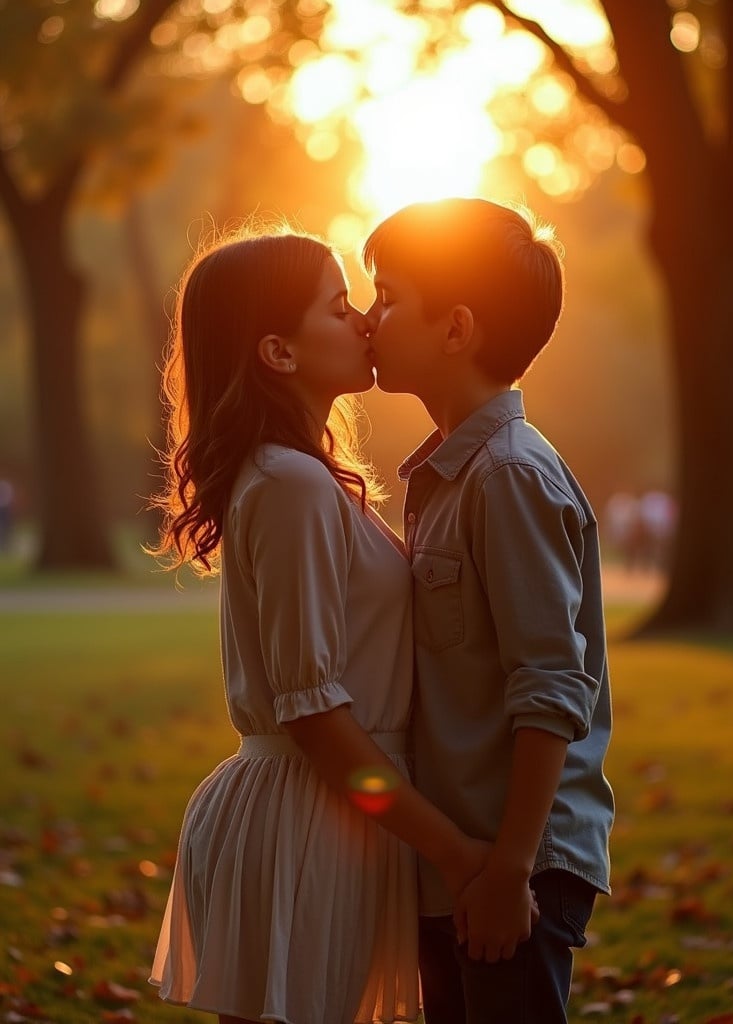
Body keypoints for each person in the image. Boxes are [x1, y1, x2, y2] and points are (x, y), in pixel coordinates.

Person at [147, 229, 491, 1024]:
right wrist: (450, 850)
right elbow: (313, 712)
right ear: (279, 351)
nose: (366, 321)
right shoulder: (292, 484)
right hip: (308, 821)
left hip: (336, 816)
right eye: (339, 309)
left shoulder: (302, 479)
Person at [363, 198, 614, 1024]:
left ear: (455, 328)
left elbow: (549, 686)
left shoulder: (507, 477)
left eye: (388, 295)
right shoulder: (445, 476)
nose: (369, 317)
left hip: (518, 863)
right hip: (463, 856)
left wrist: (510, 870)